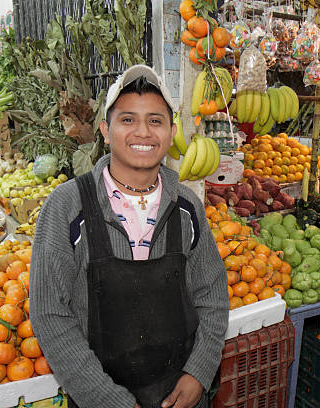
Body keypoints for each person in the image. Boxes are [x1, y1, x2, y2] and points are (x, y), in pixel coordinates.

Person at [30, 65, 229, 408]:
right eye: (127, 120)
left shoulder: (187, 207)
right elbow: (49, 312)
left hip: (181, 395)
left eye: (155, 120)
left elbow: (213, 297)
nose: (143, 132)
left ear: (170, 132)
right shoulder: (66, 206)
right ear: (106, 131)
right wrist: (107, 399)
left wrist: (198, 373)